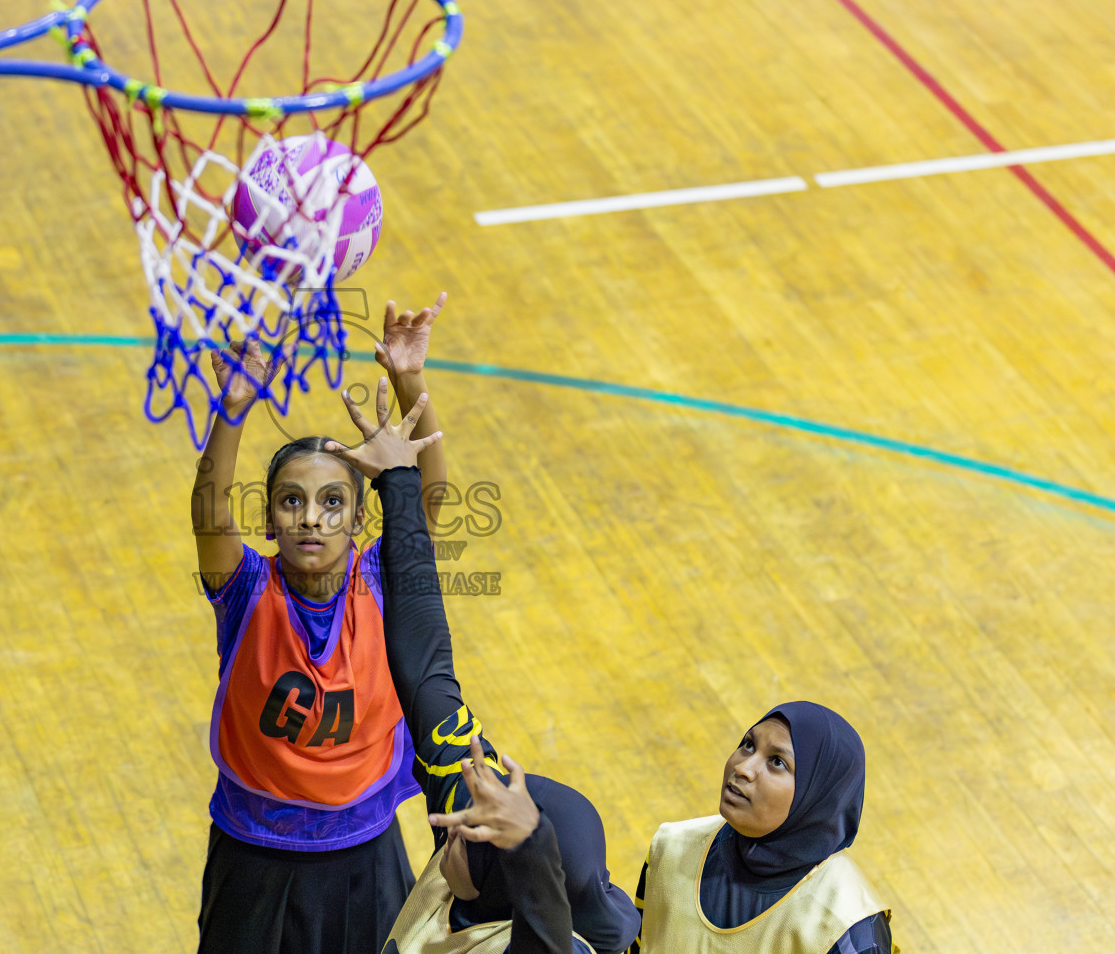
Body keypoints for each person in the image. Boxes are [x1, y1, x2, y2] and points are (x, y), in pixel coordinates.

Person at [324, 379, 641, 954]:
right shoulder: (470, 828)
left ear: (512, 879)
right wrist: (398, 482)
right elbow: (424, 665)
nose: (451, 828)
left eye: (474, 833)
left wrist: (528, 845)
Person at [192, 296, 451, 954]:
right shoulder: (247, 589)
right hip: (254, 849)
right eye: (292, 501)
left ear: (359, 521)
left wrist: (407, 376)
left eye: (333, 501)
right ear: (271, 519)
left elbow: (427, 501)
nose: (312, 517)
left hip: (364, 848)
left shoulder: (382, 581)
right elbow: (208, 506)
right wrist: (234, 405)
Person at [630, 704, 892, 954]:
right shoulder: (671, 847)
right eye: (748, 745)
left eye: (777, 762)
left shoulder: (847, 926)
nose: (742, 768)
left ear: (817, 796)